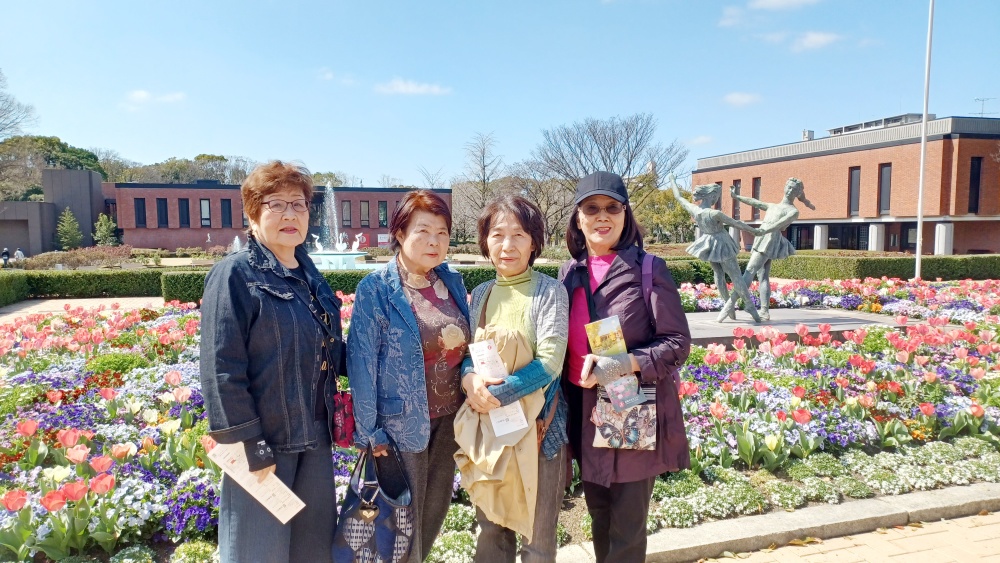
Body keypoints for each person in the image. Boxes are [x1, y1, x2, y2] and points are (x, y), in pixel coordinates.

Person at [200, 161, 342, 563]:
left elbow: (328, 351)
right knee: (257, 551)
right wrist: (249, 442)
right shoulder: (235, 275)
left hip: (314, 438)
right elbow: (221, 368)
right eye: (276, 204)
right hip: (265, 442)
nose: (289, 215)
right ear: (253, 214)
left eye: (298, 204)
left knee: (313, 550)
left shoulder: (312, 277)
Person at [560, 171, 691, 563]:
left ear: (625, 214)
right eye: (592, 208)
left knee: (627, 528)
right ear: (578, 217)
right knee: (599, 514)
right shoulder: (569, 273)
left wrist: (624, 363)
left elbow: (676, 343)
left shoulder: (648, 269)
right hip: (583, 411)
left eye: (612, 208)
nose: (602, 216)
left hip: (628, 403)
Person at [347, 189, 471, 563]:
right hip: (399, 429)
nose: (434, 241)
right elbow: (361, 363)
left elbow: (469, 345)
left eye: (442, 232)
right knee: (400, 525)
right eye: (423, 231)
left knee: (432, 515)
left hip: (450, 421)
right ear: (400, 233)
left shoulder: (451, 282)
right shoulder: (376, 289)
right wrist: (368, 432)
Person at [456, 195, 569, 563]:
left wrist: (496, 395)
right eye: (498, 235)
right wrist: (469, 380)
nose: (507, 246)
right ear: (485, 242)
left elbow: (550, 363)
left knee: (537, 540)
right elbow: (470, 353)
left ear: (534, 242)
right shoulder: (482, 294)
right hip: (491, 433)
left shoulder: (550, 291)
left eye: (519, 235)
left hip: (539, 432)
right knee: (491, 533)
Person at [667, 173, 763, 323]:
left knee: (718, 273)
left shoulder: (695, 210)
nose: (717, 199)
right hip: (722, 242)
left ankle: (728, 304)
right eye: (716, 196)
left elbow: (678, 197)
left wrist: (672, 180)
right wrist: (756, 231)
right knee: (736, 276)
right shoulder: (714, 213)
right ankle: (749, 305)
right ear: (711, 196)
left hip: (708, 242)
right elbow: (736, 223)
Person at [722, 177, 815, 321]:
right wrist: (736, 197)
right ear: (785, 187)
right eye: (789, 187)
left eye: (793, 189)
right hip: (763, 236)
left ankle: (731, 304)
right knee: (762, 275)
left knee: (749, 271)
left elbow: (779, 224)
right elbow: (754, 202)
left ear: (798, 193)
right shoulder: (773, 206)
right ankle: (764, 311)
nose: (789, 190)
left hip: (769, 239)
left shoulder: (793, 211)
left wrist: (763, 231)